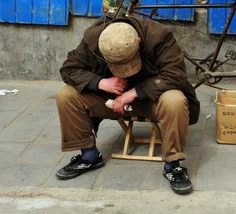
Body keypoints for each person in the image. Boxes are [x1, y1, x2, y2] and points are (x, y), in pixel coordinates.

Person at [55, 16, 200, 194]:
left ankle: (172, 165)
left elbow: (176, 74)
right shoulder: (94, 40)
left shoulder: (159, 35)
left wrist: (135, 92)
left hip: (152, 99)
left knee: (175, 100)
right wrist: (100, 82)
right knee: (66, 95)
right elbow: (69, 69)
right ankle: (89, 155)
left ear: (138, 42)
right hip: (110, 99)